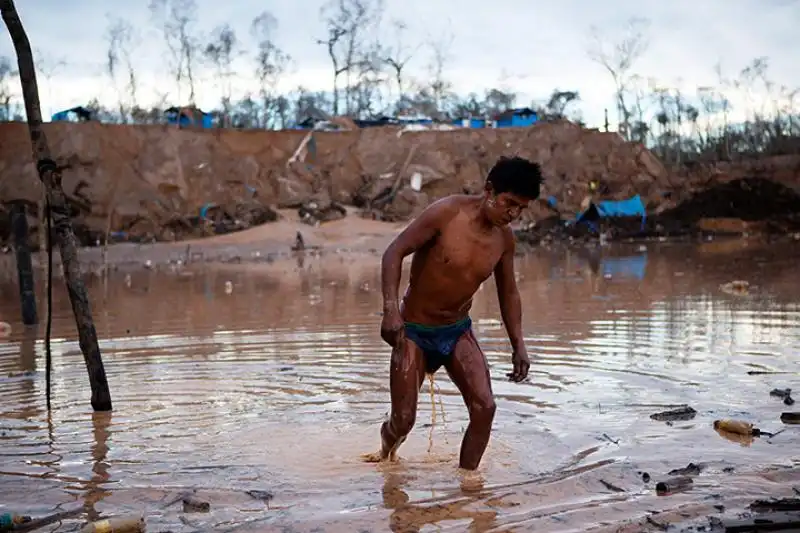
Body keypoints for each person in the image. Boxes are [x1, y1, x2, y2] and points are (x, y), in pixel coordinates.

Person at [373, 155, 543, 471]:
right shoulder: (445, 214)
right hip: (412, 332)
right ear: (489, 190)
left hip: (456, 332)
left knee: (485, 407)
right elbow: (393, 252)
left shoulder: (504, 240)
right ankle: (385, 455)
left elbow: (509, 292)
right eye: (509, 203)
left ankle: (468, 485)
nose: (513, 214)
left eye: (521, 208)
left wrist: (518, 344)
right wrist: (390, 311)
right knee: (403, 420)